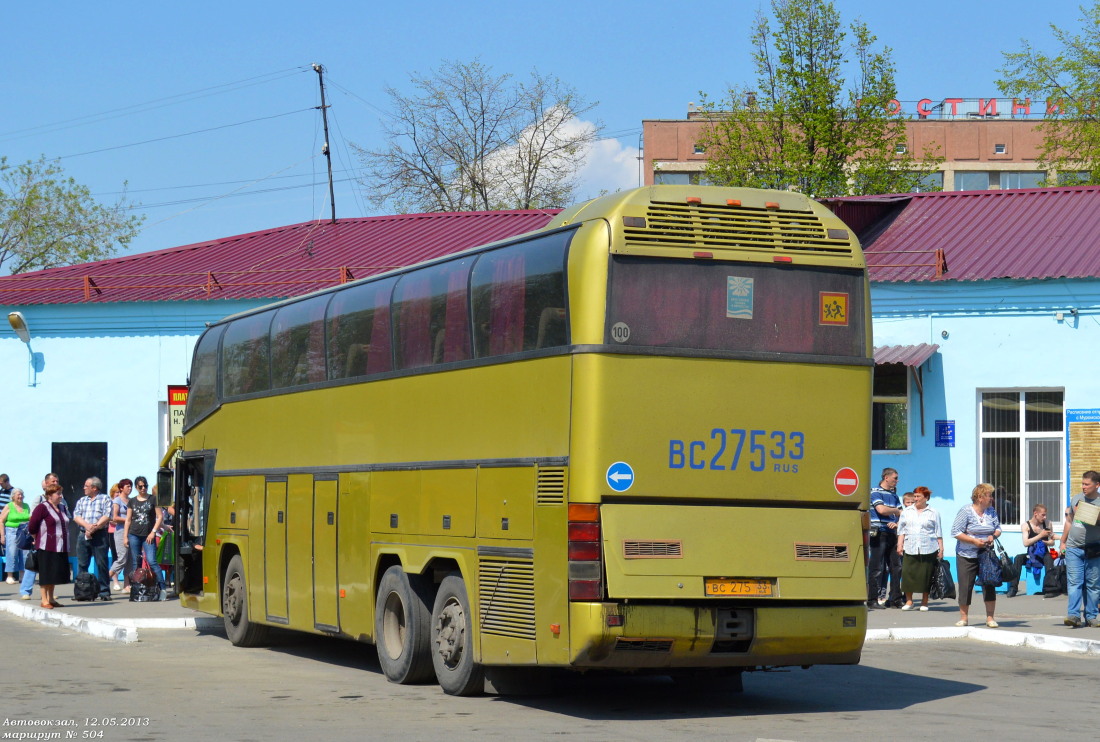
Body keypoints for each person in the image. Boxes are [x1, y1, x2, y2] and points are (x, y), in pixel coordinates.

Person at [951, 482, 1002, 628]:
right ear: (980, 497)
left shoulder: (991, 511)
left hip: (986, 554)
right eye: (989, 495)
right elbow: (955, 532)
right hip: (967, 554)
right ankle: (964, 618)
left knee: (989, 583)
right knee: (965, 586)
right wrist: (973, 541)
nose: (991, 498)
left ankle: (990, 618)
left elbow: (998, 527)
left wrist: (993, 535)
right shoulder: (966, 511)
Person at [1060, 470, 1100, 628]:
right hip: (1073, 547)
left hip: (1094, 549)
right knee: (1075, 582)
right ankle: (1073, 615)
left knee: (1093, 584)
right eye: (1082, 484)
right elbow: (1069, 521)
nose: (1083, 487)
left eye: (1087, 484)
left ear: (1097, 485)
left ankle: (1091, 617)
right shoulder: (1076, 498)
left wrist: (1082, 512)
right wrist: (1063, 541)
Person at [896, 486, 943, 611]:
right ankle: (909, 601)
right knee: (907, 574)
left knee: (926, 575)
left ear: (926, 498)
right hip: (910, 546)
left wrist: (941, 549)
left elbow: (938, 532)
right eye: (915, 496)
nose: (915, 499)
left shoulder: (933, 512)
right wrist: (899, 545)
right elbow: (901, 530)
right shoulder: (907, 512)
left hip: (928, 547)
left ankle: (924, 602)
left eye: (918, 497)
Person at [26, 484, 71, 609]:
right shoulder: (42, 507)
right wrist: (36, 537)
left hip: (61, 546)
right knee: (46, 573)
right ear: (50, 495)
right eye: (58, 493)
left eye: (61, 493)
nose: (60, 496)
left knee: (54, 573)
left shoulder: (62, 507)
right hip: (46, 545)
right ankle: (44, 600)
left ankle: (51, 598)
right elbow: (32, 525)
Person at [19, 473, 60, 601]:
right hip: (39, 538)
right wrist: (35, 537)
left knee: (50, 567)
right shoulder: (39, 499)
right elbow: (33, 519)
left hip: (54, 539)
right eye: (53, 481)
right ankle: (26, 591)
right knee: (33, 563)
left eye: (57, 481)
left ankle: (49, 595)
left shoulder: (60, 499)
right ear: (46, 483)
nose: (55, 483)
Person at [72, 476, 112, 601]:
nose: (84, 488)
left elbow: (107, 515)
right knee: (82, 564)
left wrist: (94, 528)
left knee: (101, 563)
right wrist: (87, 526)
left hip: (99, 535)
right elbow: (76, 516)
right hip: (83, 534)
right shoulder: (82, 500)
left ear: (94, 488)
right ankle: (81, 591)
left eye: (86, 486)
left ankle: (104, 592)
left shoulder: (105, 499)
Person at [868, 468, 903, 609]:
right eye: (895, 478)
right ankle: (872, 599)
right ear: (886, 477)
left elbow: (903, 515)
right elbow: (881, 510)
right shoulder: (874, 491)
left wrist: (897, 523)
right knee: (877, 567)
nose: (897, 480)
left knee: (896, 566)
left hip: (892, 533)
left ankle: (895, 599)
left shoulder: (893, 495)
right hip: (878, 533)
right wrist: (895, 511)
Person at [125, 478, 164, 595]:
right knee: (136, 563)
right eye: (141, 486)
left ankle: (162, 589)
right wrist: (125, 536)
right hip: (134, 534)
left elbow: (160, 517)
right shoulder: (132, 501)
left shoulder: (153, 499)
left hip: (148, 535)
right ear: (136, 487)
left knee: (152, 561)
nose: (143, 488)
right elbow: (128, 520)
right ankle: (137, 588)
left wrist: (153, 532)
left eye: (145, 486)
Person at [1007, 504, 1055, 598]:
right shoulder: (1026, 525)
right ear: (1035, 513)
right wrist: (1040, 536)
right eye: (1043, 515)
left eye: (1045, 515)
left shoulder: (1048, 523)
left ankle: (1049, 588)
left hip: (1043, 553)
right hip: (1031, 554)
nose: (1045, 517)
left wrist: (1047, 542)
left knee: (1049, 557)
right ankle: (1013, 588)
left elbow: (1052, 541)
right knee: (1018, 558)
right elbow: (1025, 543)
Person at [1, 488, 31, 583]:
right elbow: (1, 521)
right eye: (18, 494)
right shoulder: (9, 506)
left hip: (24, 531)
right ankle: (10, 575)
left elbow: (30, 519)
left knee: (25, 554)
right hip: (11, 531)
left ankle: (23, 575)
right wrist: (2, 535)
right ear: (13, 496)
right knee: (12, 552)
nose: (20, 496)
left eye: (22, 494)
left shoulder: (26, 506)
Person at [108, 479, 132, 592]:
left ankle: (127, 585)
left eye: (131, 486)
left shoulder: (131, 501)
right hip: (121, 531)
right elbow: (115, 517)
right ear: (121, 488)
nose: (130, 488)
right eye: (128, 486)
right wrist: (128, 520)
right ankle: (105, 579)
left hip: (131, 532)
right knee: (121, 558)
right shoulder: (117, 500)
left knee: (130, 559)